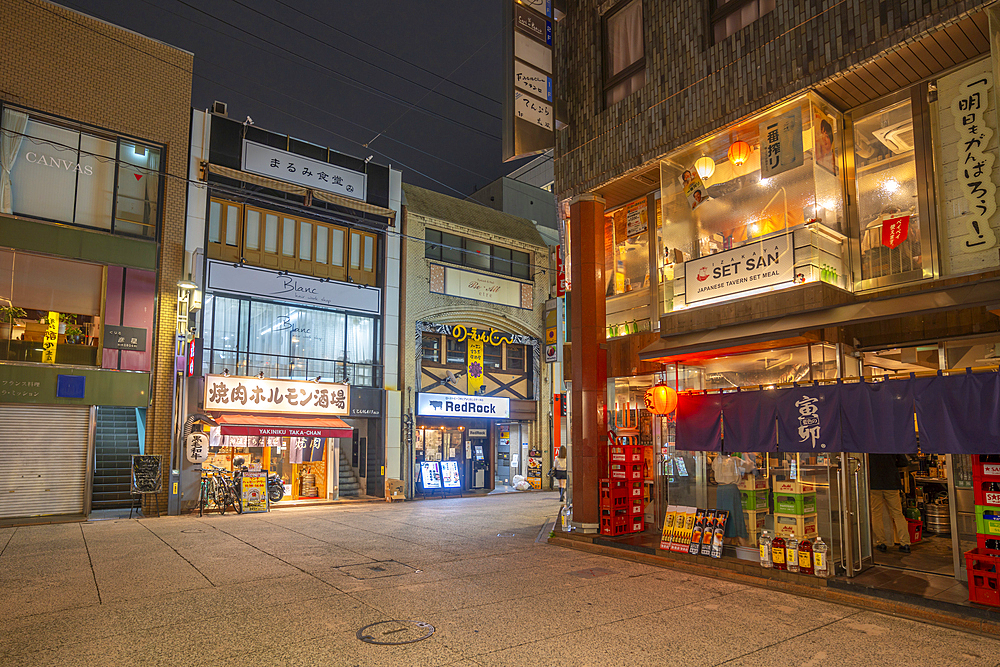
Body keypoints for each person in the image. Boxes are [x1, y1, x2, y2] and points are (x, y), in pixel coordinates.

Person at [869, 454, 912, 553]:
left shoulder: (869, 444)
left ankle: (881, 543)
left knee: (876, 513)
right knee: (897, 514)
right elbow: (904, 462)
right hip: (892, 483)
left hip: (874, 483)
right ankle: (905, 543)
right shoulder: (892, 443)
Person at [711, 452, 756, 545]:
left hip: (720, 489)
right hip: (731, 489)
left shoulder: (716, 460)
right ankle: (740, 539)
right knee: (735, 514)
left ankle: (724, 541)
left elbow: (713, 468)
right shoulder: (735, 460)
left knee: (722, 516)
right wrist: (746, 455)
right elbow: (750, 467)